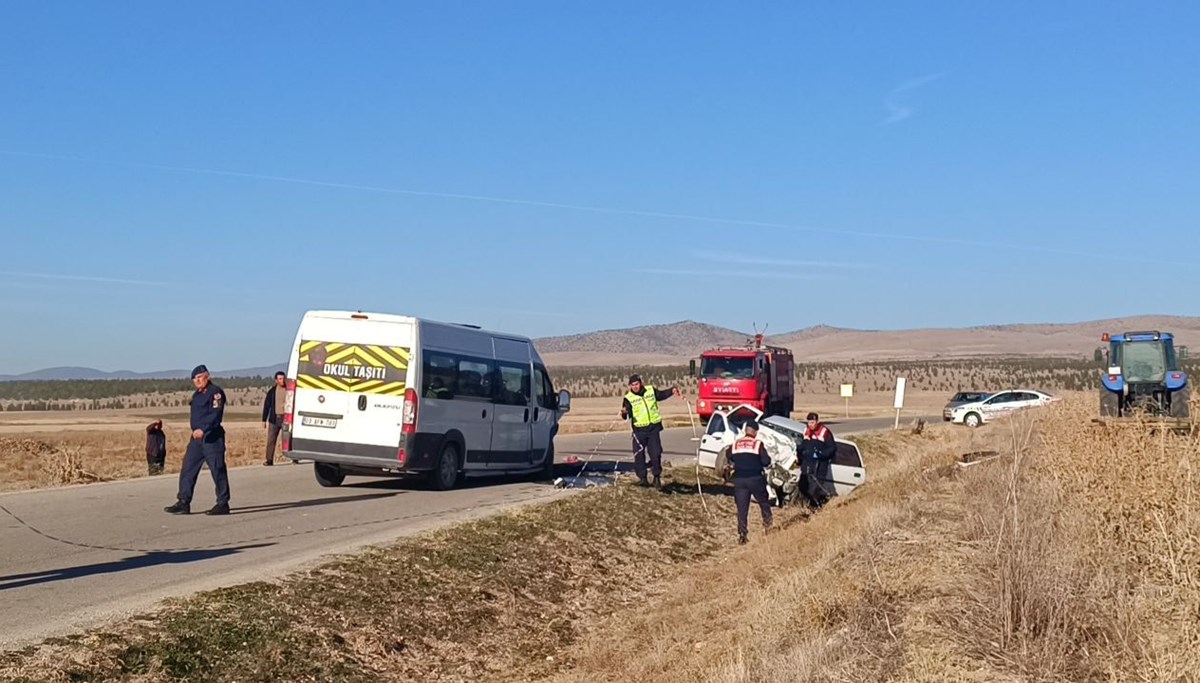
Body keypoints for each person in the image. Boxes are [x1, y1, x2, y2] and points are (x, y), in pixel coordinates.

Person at [164, 365, 231, 515]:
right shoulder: (197, 395)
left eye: (200, 377)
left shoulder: (215, 393)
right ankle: (183, 502)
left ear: (207, 376)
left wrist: (204, 428)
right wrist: (196, 430)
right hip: (196, 440)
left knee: (217, 469)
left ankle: (222, 503)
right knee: (188, 468)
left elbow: (216, 415)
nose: (197, 380)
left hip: (212, 438)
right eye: (194, 378)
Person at [619, 374, 682, 490]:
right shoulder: (628, 398)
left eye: (636, 384)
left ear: (640, 383)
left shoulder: (650, 390)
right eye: (632, 385)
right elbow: (627, 414)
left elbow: (661, 395)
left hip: (653, 428)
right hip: (639, 430)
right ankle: (643, 479)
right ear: (630, 386)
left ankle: (656, 477)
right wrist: (624, 412)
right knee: (639, 455)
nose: (635, 387)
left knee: (656, 453)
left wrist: (671, 391)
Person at [728, 421, 773, 544]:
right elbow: (765, 461)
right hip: (755, 479)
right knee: (764, 502)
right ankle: (768, 526)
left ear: (745, 430)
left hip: (739, 480)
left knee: (742, 509)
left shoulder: (736, 444)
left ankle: (742, 535)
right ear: (755, 432)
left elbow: (729, 455)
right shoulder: (757, 444)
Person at [798, 411, 837, 508]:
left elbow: (832, 448)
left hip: (819, 465)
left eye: (812, 422)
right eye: (809, 422)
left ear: (817, 421)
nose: (810, 425)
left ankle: (815, 508)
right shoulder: (806, 431)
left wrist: (821, 454)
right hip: (807, 464)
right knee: (803, 486)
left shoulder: (825, 432)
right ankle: (812, 504)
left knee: (814, 489)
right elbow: (804, 445)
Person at [260, 371, 287, 466]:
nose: (282, 380)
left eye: (283, 378)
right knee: (271, 440)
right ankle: (269, 460)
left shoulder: (289, 391)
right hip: (274, 419)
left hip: (286, 418)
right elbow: (267, 406)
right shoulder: (272, 392)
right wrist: (264, 420)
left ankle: (294, 458)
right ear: (276, 380)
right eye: (280, 379)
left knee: (288, 439)